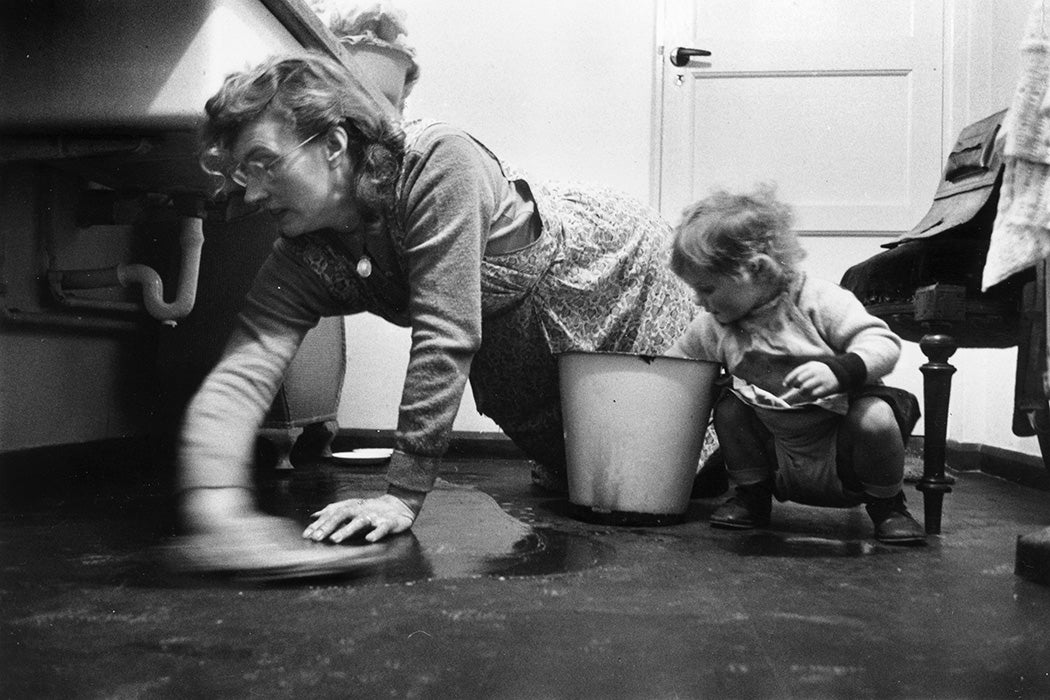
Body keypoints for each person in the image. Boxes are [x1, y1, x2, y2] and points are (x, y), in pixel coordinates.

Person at [175, 51, 697, 571]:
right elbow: (244, 369)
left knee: (682, 472)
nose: (255, 192)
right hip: (520, 328)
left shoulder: (437, 163)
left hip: (610, 272)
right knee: (594, 483)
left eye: (266, 162)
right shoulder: (304, 249)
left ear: (334, 144)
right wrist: (217, 507)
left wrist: (401, 495)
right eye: (245, 172)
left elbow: (443, 335)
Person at [666, 185, 926, 544]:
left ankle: (888, 505)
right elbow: (673, 366)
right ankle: (751, 494)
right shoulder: (716, 327)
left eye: (707, 289)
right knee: (730, 408)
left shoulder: (818, 300)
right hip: (777, 453)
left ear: (754, 269)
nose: (699, 301)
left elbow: (884, 344)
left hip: (843, 447)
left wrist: (840, 370)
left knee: (876, 417)